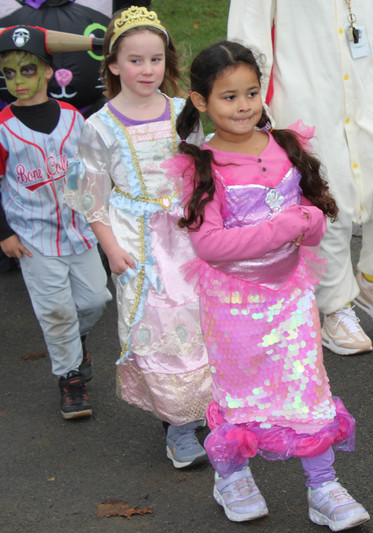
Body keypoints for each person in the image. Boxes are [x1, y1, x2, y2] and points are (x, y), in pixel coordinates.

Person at [170, 40, 370, 531]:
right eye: (229, 97)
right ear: (200, 102)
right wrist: (289, 225)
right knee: (240, 392)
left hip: (290, 297)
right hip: (233, 305)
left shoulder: (285, 145)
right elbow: (212, 245)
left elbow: (316, 218)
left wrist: (310, 223)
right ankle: (232, 475)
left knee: (308, 387)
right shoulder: (202, 165)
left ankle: (322, 486)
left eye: (251, 93)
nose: (243, 107)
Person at [228, 1, 373, 355]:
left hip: (371, 91)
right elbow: (249, 34)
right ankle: (336, 305)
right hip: (306, 96)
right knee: (325, 202)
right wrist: (251, 99)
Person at [64, 6, 212, 469]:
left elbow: (206, 166)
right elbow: (91, 196)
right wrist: (111, 248)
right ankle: (178, 427)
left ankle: (206, 407)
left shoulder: (183, 113)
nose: (147, 70)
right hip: (138, 240)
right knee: (159, 328)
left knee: (202, 320)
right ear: (112, 65)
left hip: (190, 235)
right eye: (135, 60)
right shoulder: (98, 127)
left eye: (155, 60)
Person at [0, 25, 111, 420]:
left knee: (95, 299)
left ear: (48, 71)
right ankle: (70, 379)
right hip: (32, 238)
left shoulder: (73, 117)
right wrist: (5, 234)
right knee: (56, 311)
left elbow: (94, 170)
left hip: (80, 232)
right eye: (9, 73)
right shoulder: (2, 126)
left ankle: (75, 344)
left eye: (27, 70)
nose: (18, 81)